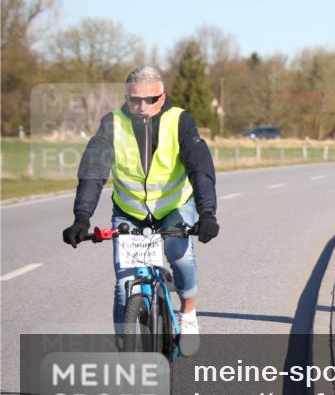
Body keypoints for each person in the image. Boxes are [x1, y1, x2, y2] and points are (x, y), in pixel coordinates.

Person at [62, 66, 219, 355]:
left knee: (180, 255)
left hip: (174, 207)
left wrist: (207, 212)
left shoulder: (179, 120)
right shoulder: (113, 123)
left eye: (150, 99)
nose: (141, 106)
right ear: (126, 97)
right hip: (129, 212)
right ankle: (127, 354)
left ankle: (188, 314)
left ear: (163, 97)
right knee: (125, 286)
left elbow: (200, 167)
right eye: (134, 100)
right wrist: (81, 217)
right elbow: (93, 171)